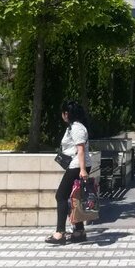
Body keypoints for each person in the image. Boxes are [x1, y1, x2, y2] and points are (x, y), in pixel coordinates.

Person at [46, 100, 92, 245]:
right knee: (74, 198)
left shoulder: (77, 128)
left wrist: (83, 170)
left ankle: (60, 233)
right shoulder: (74, 127)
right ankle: (79, 231)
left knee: (61, 196)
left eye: (63, 112)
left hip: (77, 166)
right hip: (77, 165)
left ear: (66, 113)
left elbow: (81, 149)